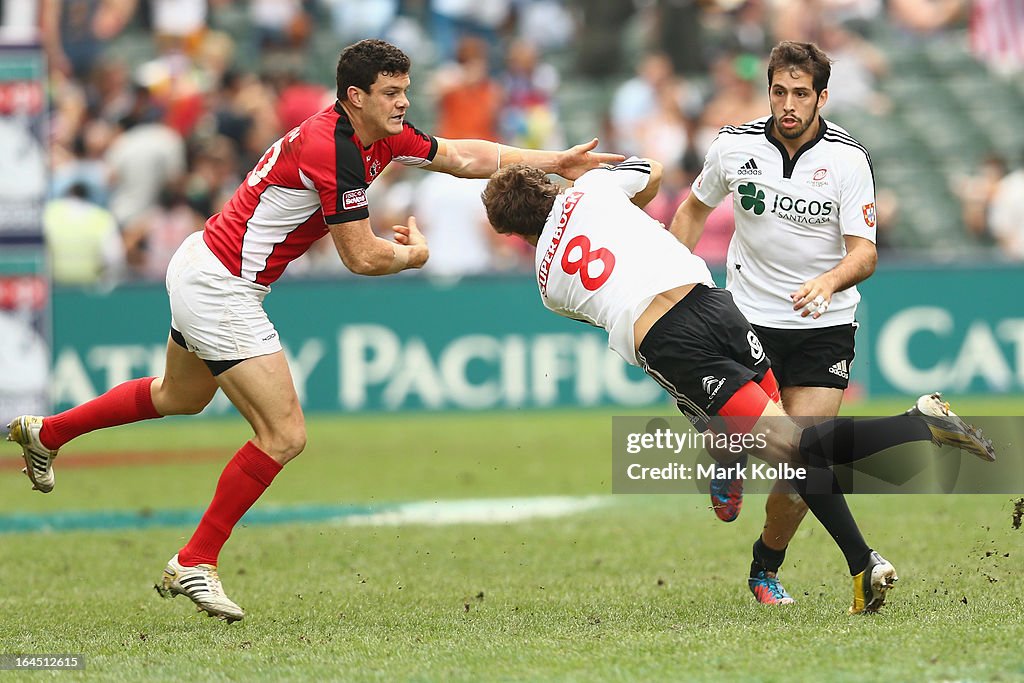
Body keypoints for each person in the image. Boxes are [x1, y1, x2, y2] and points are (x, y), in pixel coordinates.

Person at [5, 39, 623, 623]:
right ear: (355, 96)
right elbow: (360, 257)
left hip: (204, 264)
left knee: (180, 396)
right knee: (284, 434)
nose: (403, 101)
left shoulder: (377, 134)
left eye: (405, 89)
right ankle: (195, 560)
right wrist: (412, 257)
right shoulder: (336, 149)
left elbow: (463, 155)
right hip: (222, 285)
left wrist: (553, 160)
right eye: (390, 92)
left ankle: (46, 432)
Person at [478, 158, 995, 614]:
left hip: (670, 342)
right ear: (547, 186)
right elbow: (653, 173)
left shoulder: (547, 284)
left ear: (512, 235)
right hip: (712, 302)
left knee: (793, 446)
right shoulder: (591, 188)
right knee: (788, 439)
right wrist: (583, 180)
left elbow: (603, 308)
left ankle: (913, 428)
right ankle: (854, 560)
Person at [671, 40, 878, 605]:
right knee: (726, 428)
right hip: (747, 319)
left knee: (802, 470)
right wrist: (665, 281)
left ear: (822, 97)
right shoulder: (733, 146)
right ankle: (727, 456)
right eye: (779, 91)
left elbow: (865, 252)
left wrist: (829, 281)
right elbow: (693, 209)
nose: (788, 104)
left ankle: (765, 568)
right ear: (768, 90)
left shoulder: (848, 159)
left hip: (823, 325)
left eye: (801, 94)